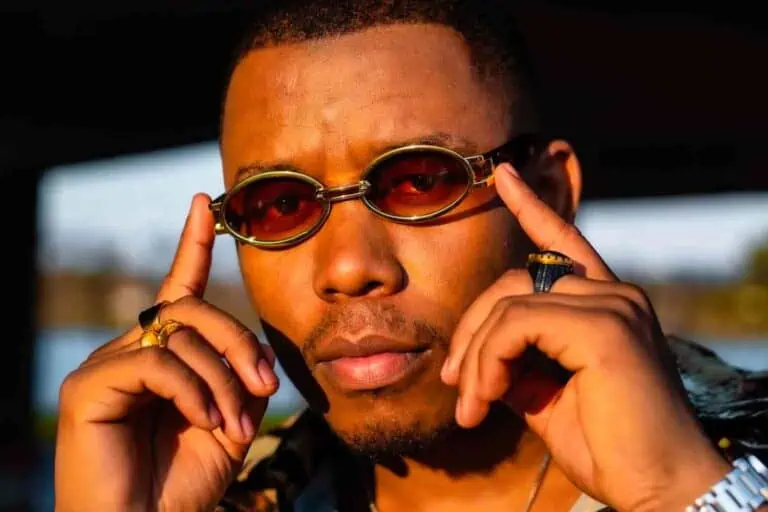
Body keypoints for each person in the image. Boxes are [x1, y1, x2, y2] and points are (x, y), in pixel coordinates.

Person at [54, 1, 768, 510]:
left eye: (421, 182)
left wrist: (685, 494)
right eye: (280, 204)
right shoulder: (233, 491)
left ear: (548, 195)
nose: (347, 269)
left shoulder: (727, 462)